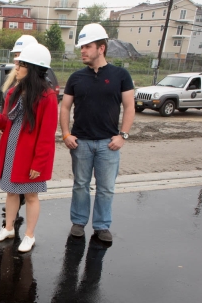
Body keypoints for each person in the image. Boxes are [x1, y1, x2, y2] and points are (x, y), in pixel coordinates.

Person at [60, 23, 135, 243]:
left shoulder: (120, 75)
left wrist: (123, 135)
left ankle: (102, 226)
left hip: (108, 144)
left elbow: (130, 107)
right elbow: (65, 108)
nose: (82, 51)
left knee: (106, 188)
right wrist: (66, 134)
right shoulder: (76, 77)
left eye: (87, 46)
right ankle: (79, 222)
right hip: (80, 143)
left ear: (101, 48)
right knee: (80, 185)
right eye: (81, 47)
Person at [0, 43, 58, 253]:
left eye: (20, 65)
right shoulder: (15, 93)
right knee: (11, 192)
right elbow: (8, 122)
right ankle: (8, 228)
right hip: (11, 151)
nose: (15, 68)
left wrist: (39, 163)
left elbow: (47, 134)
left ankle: (29, 235)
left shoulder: (47, 97)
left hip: (30, 156)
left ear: (33, 69)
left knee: (32, 195)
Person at [0, 35, 39, 230]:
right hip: (11, 137)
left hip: (27, 145)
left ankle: (25, 231)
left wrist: (38, 160)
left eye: (19, 56)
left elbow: (42, 130)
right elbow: (8, 110)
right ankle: (10, 225)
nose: (16, 60)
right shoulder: (14, 80)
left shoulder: (39, 88)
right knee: (12, 188)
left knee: (28, 191)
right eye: (15, 56)